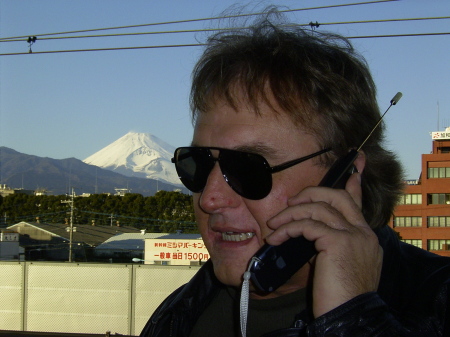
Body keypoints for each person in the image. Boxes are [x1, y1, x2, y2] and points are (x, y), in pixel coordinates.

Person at [140, 9, 450, 337]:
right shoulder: (180, 312)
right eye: (199, 164)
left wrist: (355, 321)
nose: (210, 198)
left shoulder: (435, 303)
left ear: (344, 177)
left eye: (248, 167)